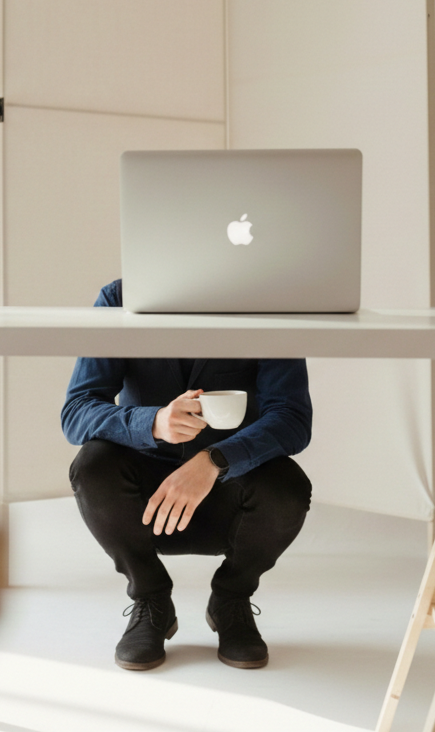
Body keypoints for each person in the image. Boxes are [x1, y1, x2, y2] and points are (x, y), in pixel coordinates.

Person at [61, 279, 313, 671]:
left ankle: (231, 599)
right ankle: (150, 600)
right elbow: (77, 410)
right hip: (143, 500)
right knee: (92, 467)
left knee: (288, 488)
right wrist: (154, 422)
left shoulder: (265, 300)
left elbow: (293, 418)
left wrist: (216, 460)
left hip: (232, 490)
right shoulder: (118, 299)